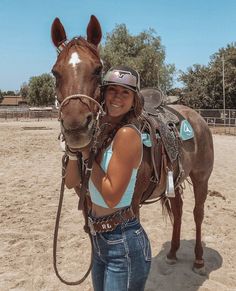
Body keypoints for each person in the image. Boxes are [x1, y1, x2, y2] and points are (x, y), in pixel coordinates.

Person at [65, 66, 151, 291]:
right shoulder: (99, 133)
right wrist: (72, 153)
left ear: (134, 100)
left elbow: (112, 196)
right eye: (112, 90)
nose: (117, 97)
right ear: (102, 94)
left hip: (122, 241)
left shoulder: (127, 135)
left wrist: (86, 153)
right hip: (99, 239)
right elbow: (71, 182)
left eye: (125, 93)